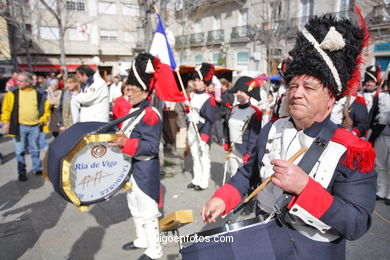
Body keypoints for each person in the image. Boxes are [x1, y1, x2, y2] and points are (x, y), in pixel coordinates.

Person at [201, 12, 376, 259]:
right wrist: (223, 197)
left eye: (309, 87)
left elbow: (356, 223)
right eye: (293, 86)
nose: (296, 93)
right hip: (263, 242)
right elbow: (247, 174)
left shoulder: (353, 150)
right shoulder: (271, 130)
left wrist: (305, 188)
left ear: (330, 98)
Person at [109, 53, 163, 260]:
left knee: (148, 210)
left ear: (144, 91)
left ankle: (155, 249)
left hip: (145, 168)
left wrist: (125, 143)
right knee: (134, 205)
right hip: (131, 166)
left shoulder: (150, 113)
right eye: (127, 89)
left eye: (132, 90)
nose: (127, 94)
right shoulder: (134, 110)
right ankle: (142, 239)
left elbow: (150, 147)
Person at [1, 72, 50, 181]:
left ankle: (37, 168)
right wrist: (5, 122)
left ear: (28, 83)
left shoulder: (40, 93)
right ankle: (22, 171)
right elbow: (6, 109)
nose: (17, 82)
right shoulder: (12, 93)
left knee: (35, 149)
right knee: (19, 149)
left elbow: (46, 109)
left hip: (35, 126)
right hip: (19, 126)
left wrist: (42, 120)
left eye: (20, 81)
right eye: (17, 80)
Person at [186, 63, 216, 191]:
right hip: (192, 129)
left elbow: (209, 120)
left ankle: (204, 181)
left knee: (204, 156)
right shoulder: (191, 95)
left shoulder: (209, 98)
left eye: (200, 81)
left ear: (205, 83)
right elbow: (188, 110)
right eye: (196, 80)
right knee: (194, 155)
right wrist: (188, 114)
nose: (197, 83)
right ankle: (196, 178)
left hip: (203, 131)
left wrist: (205, 138)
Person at [224, 76, 262, 177]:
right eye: (238, 91)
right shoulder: (234, 109)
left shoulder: (254, 112)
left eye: (242, 92)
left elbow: (254, 136)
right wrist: (227, 142)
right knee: (233, 173)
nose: (239, 94)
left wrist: (250, 153)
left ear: (249, 95)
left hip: (244, 150)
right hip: (233, 148)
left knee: (244, 176)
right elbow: (228, 127)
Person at [368, 77, 390, 205]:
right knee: (380, 165)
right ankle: (381, 191)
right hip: (381, 135)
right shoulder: (381, 96)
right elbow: (372, 115)